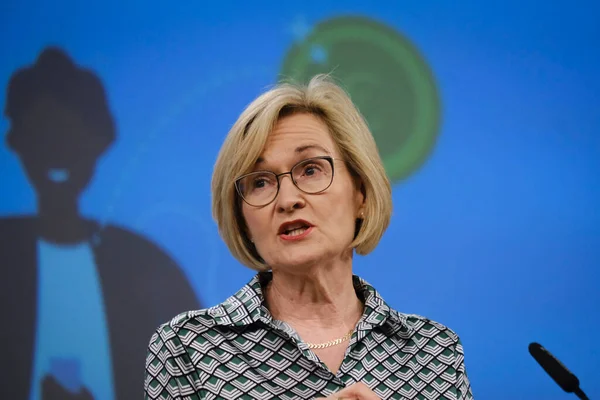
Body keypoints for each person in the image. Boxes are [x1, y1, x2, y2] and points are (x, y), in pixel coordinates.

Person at [144, 75, 473, 399]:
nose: (287, 200)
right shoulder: (187, 348)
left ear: (361, 192)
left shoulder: (433, 352)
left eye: (311, 169)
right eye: (260, 182)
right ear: (242, 219)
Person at [1, 47, 200, 400]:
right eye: (40, 133)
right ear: (17, 143)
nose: (56, 151)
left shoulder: (148, 267)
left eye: (71, 135)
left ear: (99, 144)